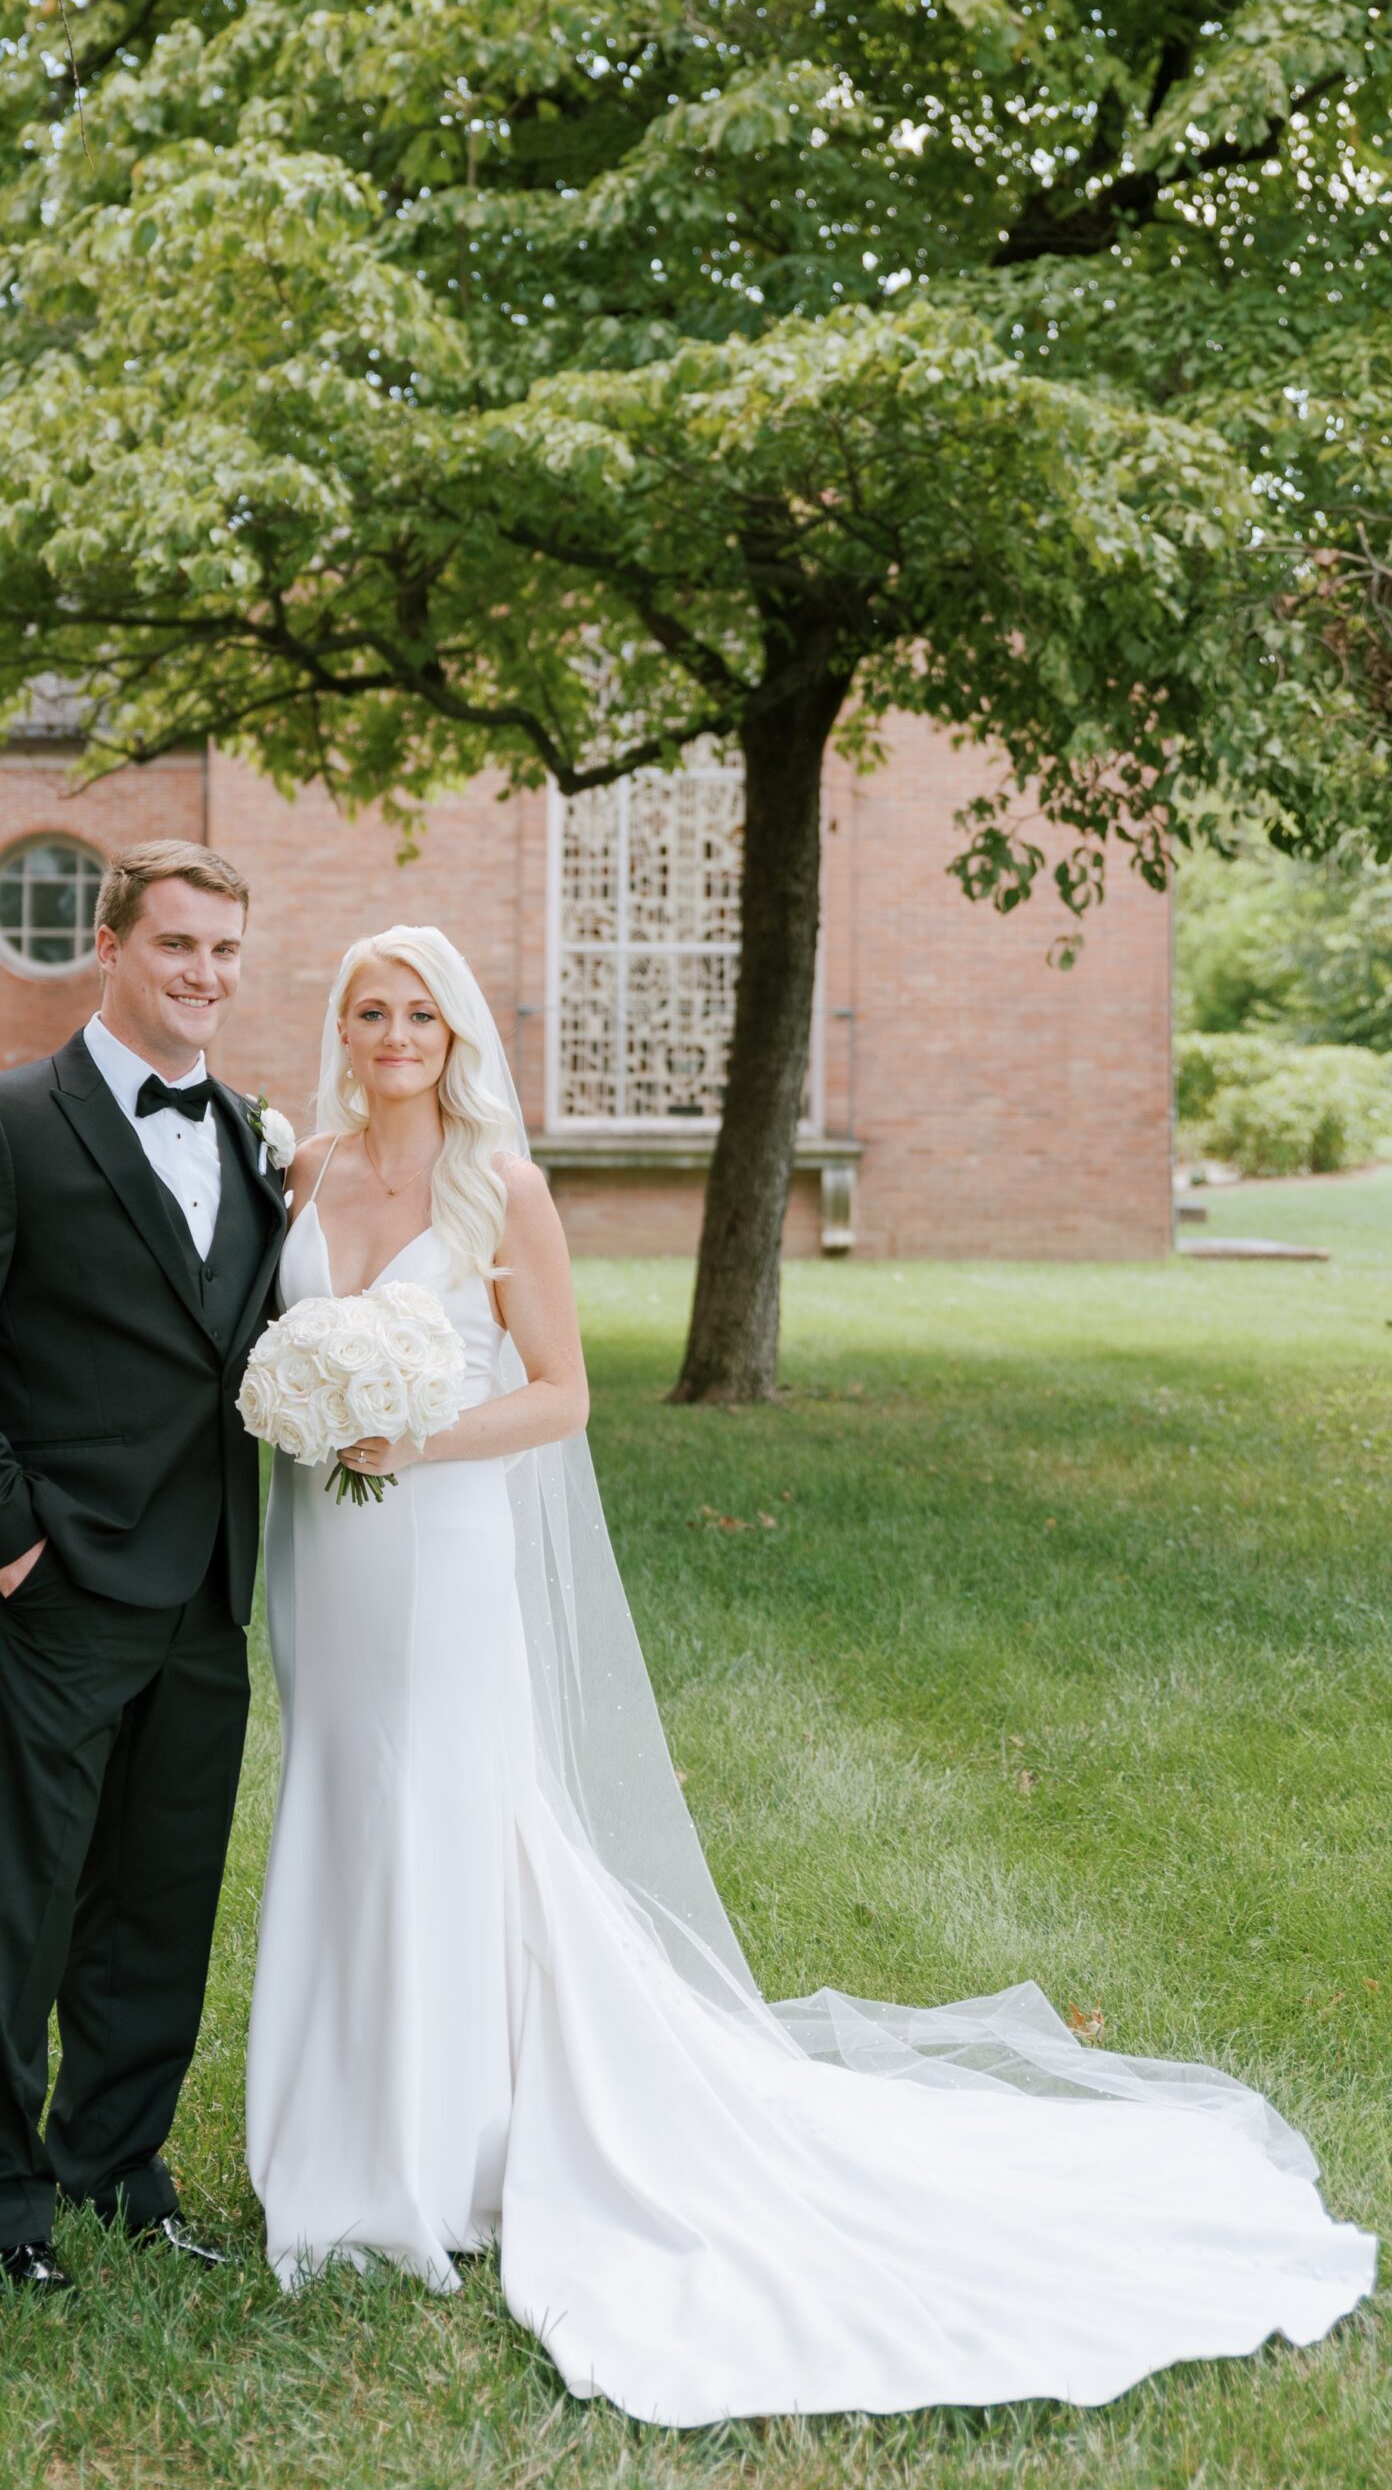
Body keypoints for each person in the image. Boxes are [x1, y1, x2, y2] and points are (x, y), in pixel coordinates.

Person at [245, 923, 1377, 2425]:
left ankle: (450, 2146)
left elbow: (565, 1400)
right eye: (371, 1009)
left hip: (444, 1554)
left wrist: (417, 1435)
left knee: (452, 1813)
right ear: (343, 1024)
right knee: (339, 1797)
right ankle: (329, 2124)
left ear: (456, 1037)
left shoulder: (500, 1188)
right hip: (329, 1552)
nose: (396, 1034)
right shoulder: (305, 1174)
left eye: (421, 1014)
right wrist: (315, 1409)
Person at [0, 840, 286, 2293]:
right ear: (107, 947)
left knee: (162, 1895)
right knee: (17, 1898)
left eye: (228, 951)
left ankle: (118, 2165)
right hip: (53, 1589)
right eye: (178, 945)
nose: (206, 975)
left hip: (202, 1589)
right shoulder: (1, 1122)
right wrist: (9, 1546)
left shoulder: (251, 1132)